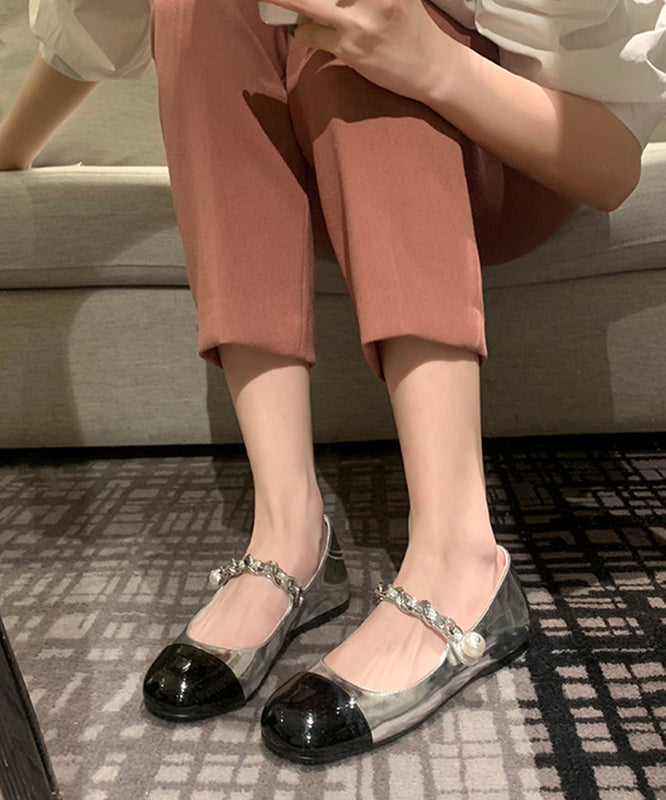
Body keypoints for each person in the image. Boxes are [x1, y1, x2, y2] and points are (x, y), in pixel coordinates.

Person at [2, 0, 664, 765]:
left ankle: (461, 557)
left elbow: (609, 167)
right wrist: (8, 152)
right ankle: (288, 535)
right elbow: (97, 24)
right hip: (320, 159)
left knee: (358, 18)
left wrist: (430, 61)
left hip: (504, 157)